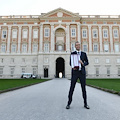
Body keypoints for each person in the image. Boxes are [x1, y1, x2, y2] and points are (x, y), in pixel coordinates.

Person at [66, 41, 90, 109]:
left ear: (80, 46)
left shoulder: (84, 54)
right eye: (77, 45)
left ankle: (85, 103)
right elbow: (71, 63)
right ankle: (68, 103)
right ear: (75, 46)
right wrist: (73, 66)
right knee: (72, 88)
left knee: (83, 89)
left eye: (79, 45)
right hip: (75, 72)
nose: (78, 46)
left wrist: (83, 63)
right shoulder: (72, 54)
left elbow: (87, 62)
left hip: (82, 73)